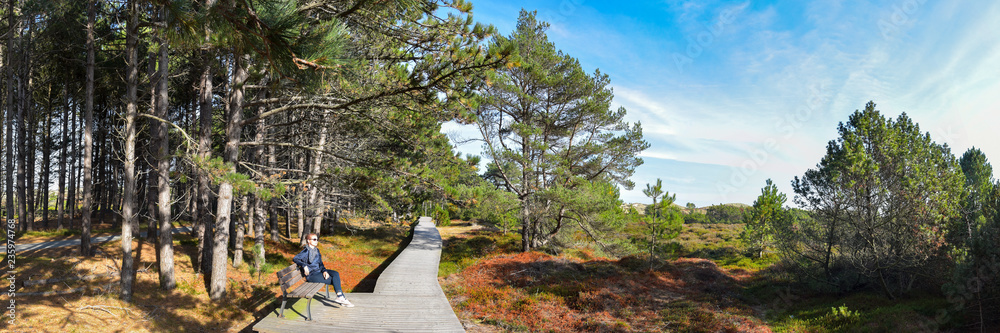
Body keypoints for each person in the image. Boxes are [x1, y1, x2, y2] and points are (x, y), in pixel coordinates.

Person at [292, 233, 354, 307]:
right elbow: (295, 258)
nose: (316, 241)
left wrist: (324, 271)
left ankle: (340, 297)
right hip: (312, 275)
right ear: (308, 241)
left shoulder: (316, 250)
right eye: (314, 239)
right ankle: (341, 297)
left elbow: (320, 263)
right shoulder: (305, 251)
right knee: (334, 280)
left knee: (335, 273)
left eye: (317, 239)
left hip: (319, 271)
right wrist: (304, 265)